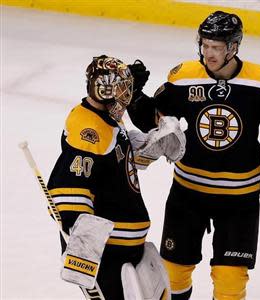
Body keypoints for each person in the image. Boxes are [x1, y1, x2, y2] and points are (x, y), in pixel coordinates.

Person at [127, 11, 260, 300]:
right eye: (205, 45)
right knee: (173, 273)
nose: (208, 53)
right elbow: (155, 123)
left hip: (240, 198)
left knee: (231, 281)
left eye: (216, 48)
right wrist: (136, 97)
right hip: (188, 192)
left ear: (233, 47)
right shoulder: (182, 77)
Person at [47, 55, 173, 300]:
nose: (126, 101)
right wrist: (81, 241)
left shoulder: (105, 120)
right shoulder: (90, 133)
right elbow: (69, 189)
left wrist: (148, 147)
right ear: (104, 91)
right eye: (123, 92)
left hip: (125, 244)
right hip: (107, 250)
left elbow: (115, 161)